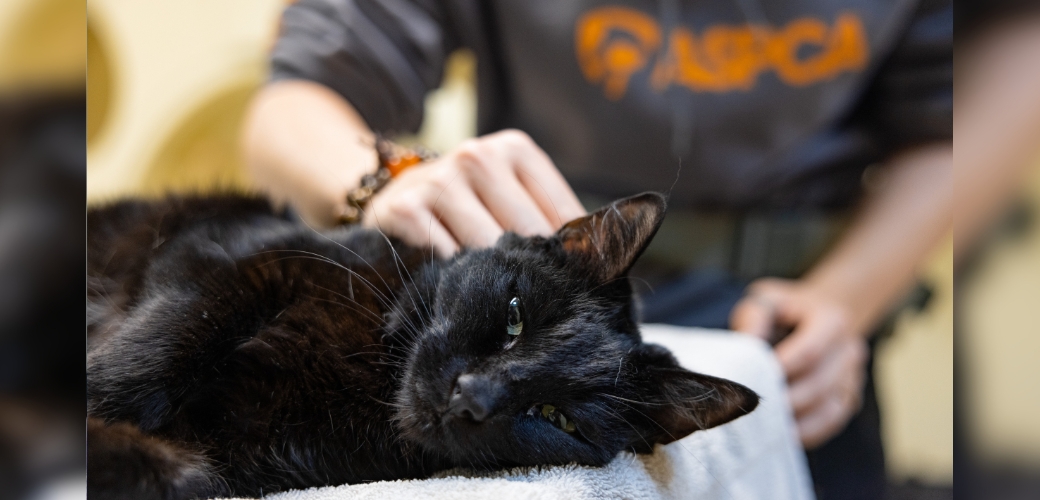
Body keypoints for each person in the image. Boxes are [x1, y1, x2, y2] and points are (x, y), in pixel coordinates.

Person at [242, 1, 952, 498]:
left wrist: (849, 297)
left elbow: (962, 106)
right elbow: (289, 105)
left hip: (793, 316)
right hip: (542, 277)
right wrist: (380, 179)